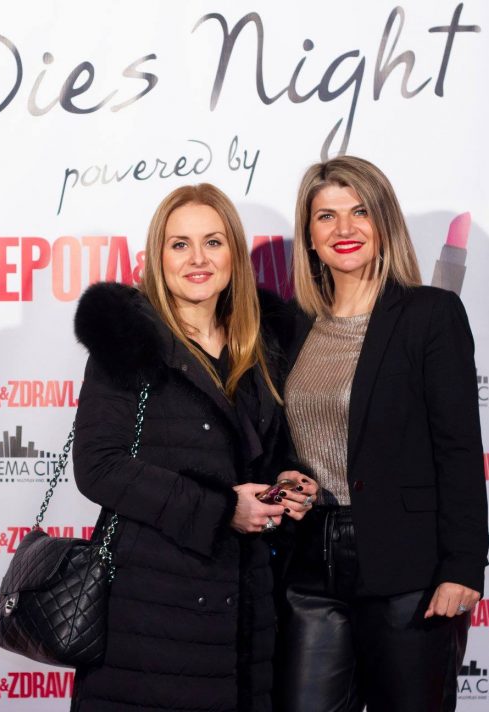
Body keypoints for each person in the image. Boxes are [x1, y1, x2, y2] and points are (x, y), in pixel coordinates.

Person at [70, 183, 318, 712]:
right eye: (180, 244)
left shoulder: (263, 344)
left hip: (247, 610)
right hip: (150, 611)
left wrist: (288, 482)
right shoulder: (129, 341)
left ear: (234, 253)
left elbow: (265, 454)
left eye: (213, 242)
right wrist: (223, 509)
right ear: (158, 257)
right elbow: (98, 466)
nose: (198, 259)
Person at [273, 156, 489, 712]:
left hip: (408, 569)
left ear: (384, 221)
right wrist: (286, 477)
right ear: (309, 236)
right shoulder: (292, 324)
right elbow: (282, 438)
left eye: (360, 212)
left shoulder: (430, 314)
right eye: (326, 216)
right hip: (309, 565)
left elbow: (459, 448)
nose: (343, 229)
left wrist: (463, 567)